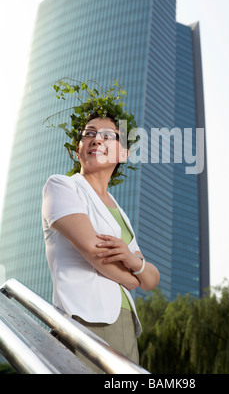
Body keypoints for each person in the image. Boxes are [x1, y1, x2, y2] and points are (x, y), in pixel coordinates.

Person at [42, 110, 160, 372]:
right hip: (87, 317)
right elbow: (95, 252)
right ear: (78, 149)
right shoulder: (62, 186)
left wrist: (132, 261)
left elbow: (151, 279)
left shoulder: (119, 212)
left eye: (108, 136)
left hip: (125, 321)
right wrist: (132, 277)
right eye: (89, 134)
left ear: (123, 154)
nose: (96, 140)